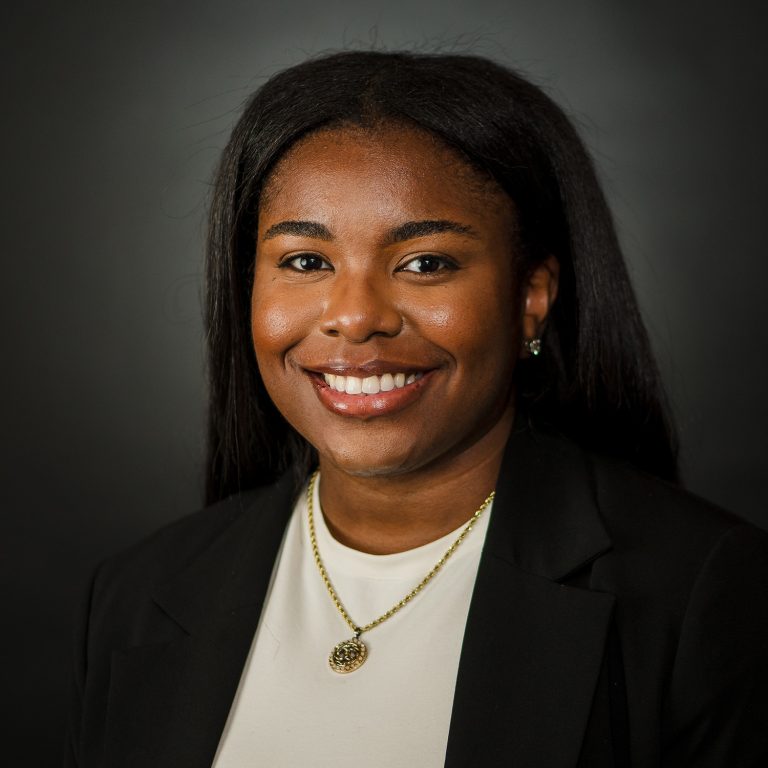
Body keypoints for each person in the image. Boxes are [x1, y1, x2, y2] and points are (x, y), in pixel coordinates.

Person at [66, 51, 768, 767]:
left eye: (426, 263)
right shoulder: (136, 594)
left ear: (531, 296)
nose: (355, 317)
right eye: (306, 261)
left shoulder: (701, 593)